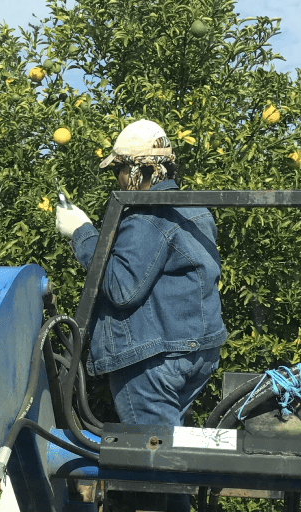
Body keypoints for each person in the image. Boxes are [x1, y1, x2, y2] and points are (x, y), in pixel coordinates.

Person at [55, 119, 227, 512]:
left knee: (155, 471)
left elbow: (119, 286)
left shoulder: (148, 215)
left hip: (152, 362)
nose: (115, 178)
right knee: (167, 455)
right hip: (194, 352)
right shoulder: (192, 208)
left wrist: (81, 231)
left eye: (119, 168)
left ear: (138, 170)